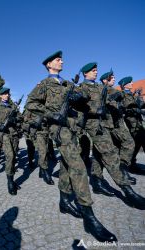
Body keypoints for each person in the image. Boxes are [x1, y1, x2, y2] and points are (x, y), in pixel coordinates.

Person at [26, 51, 117, 242]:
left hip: (73, 128)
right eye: (58, 60)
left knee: (67, 164)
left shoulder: (67, 83)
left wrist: (79, 98)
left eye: (61, 59)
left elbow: (77, 102)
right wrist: (50, 115)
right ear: (49, 64)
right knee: (78, 166)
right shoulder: (44, 85)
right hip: (59, 129)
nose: (62, 61)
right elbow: (31, 104)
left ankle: (64, 200)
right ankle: (89, 216)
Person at [79, 62, 145, 210]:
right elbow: (80, 108)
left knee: (98, 154)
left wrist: (120, 94)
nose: (96, 72)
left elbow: (113, 95)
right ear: (85, 74)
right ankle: (128, 191)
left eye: (96, 70)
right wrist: (95, 110)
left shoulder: (100, 87)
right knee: (110, 154)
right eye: (93, 71)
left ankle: (96, 181)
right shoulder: (82, 88)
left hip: (106, 125)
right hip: (94, 126)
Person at [0, 87, 22, 195]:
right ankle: (10, 182)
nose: (7, 95)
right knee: (10, 156)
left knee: (14, 156)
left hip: (14, 135)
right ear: (0, 96)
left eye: (8, 94)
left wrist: (14, 120)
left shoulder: (12, 107)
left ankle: (12, 178)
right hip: (4, 134)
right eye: (5, 94)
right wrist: (0, 126)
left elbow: (20, 118)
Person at [119, 77, 145, 173]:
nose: (132, 83)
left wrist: (139, 96)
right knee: (138, 142)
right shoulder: (123, 95)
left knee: (136, 145)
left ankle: (132, 165)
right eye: (130, 82)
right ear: (125, 84)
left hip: (138, 123)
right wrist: (136, 109)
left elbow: (141, 104)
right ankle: (129, 166)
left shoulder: (131, 94)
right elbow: (126, 107)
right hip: (131, 124)